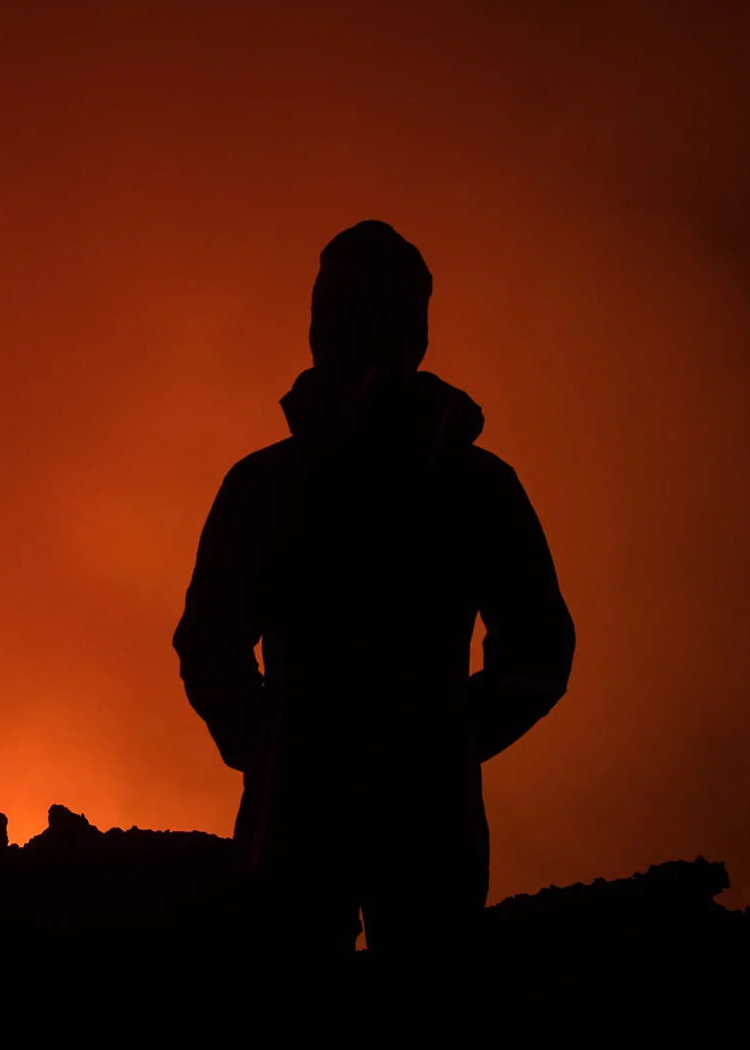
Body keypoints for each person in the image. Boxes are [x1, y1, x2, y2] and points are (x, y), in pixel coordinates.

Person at [173, 221, 576, 962]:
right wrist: (444, 739)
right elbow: (538, 654)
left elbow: (210, 643)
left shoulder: (271, 483)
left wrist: (269, 741)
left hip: (312, 821)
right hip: (403, 821)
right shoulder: (473, 483)